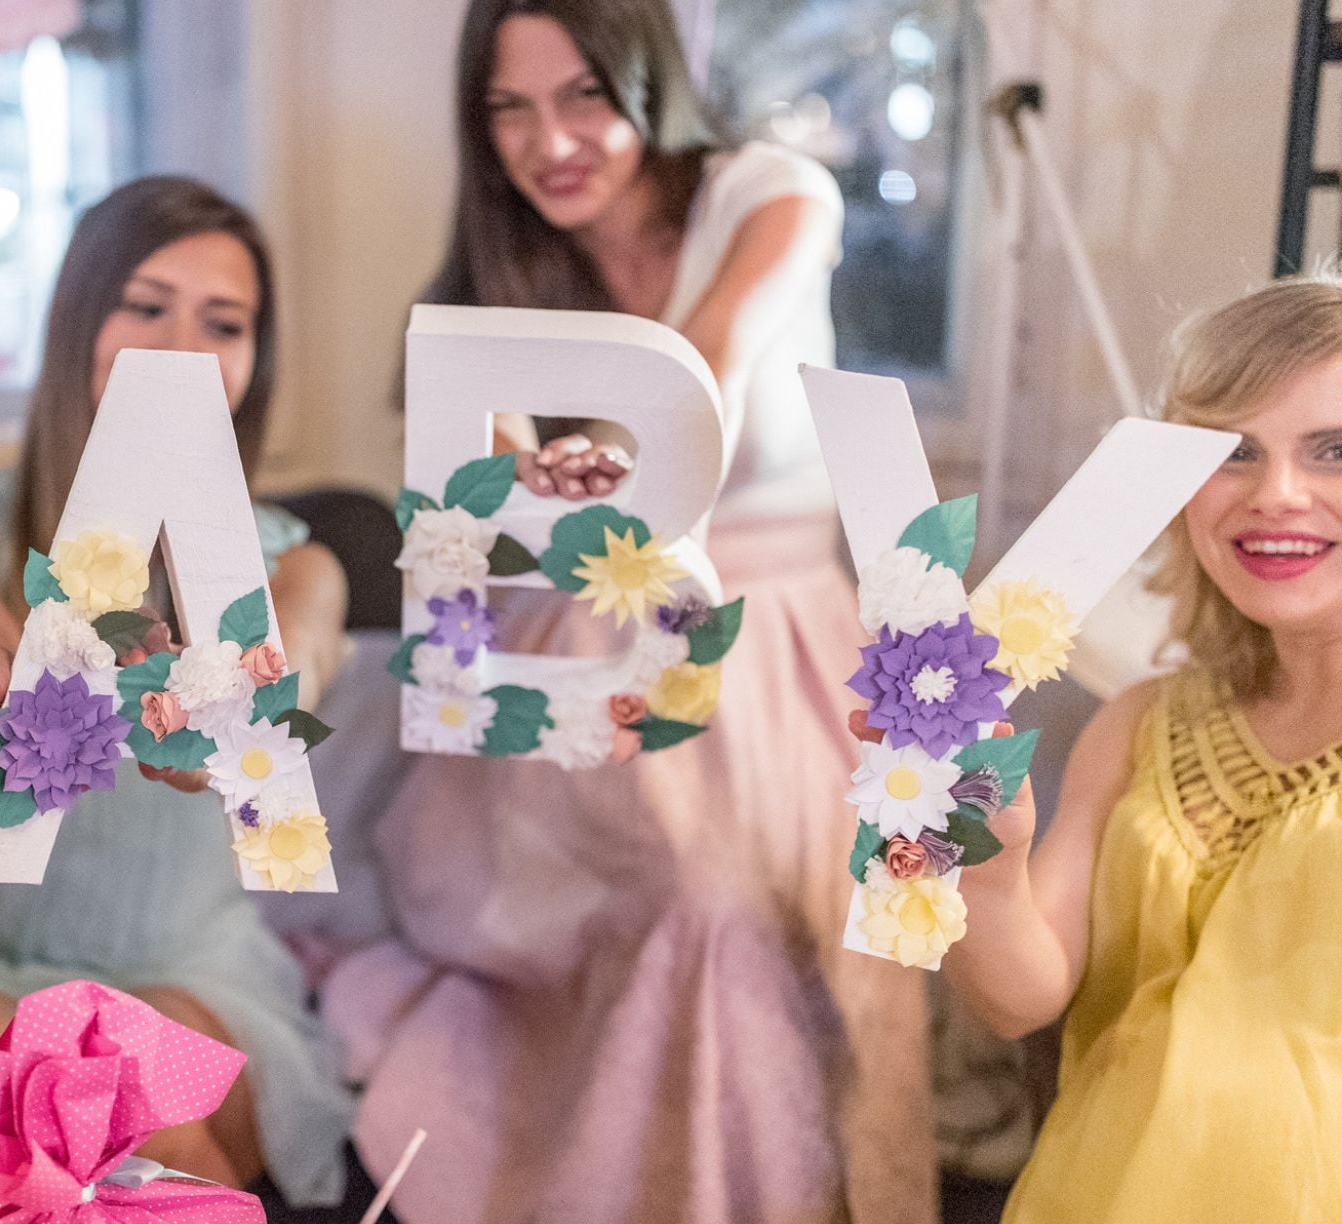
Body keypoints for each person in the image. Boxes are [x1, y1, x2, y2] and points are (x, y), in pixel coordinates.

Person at [321, 1, 931, 1221]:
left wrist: (584, 456)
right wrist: (503, 500)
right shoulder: (490, 284)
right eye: (509, 107)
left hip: (780, 637)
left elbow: (704, 361)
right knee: (676, 898)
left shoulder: (772, 193)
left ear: (647, 78)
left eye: (582, 94)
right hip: (594, 642)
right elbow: (474, 551)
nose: (548, 140)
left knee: (808, 921)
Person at [0, 175, 353, 1207]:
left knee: (146, 1098)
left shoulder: (294, 567)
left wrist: (233, 724)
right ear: (77, 320)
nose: (181, 344)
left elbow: (289, 679)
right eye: (145, 306)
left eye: (221, 323)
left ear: (252, 362)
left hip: (192, 973)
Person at [954, 277, 1342, 1221]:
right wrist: (978, 862)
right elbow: (1018, 1001)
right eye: (1232, 454)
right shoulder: (1138, 723)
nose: (1277, 494)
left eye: (1334, 452)